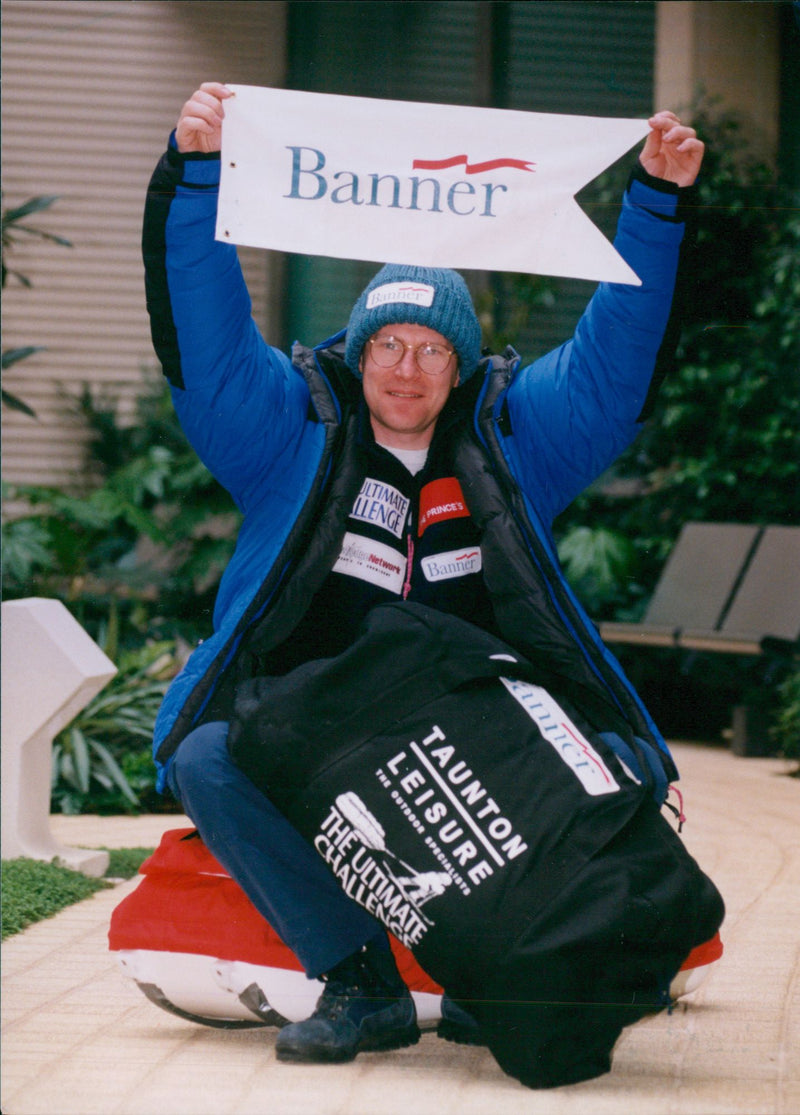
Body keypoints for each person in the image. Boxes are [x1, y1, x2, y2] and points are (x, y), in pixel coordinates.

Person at [142, 82, 706, 1066]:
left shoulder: (517, 437)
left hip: (481, 725)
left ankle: (508, 966)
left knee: (627, 759)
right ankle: (358, 982)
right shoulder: (288, 433)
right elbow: (208, 334)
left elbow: (616, 361)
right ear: (357, 353)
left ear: (462, 366)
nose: (406, 368)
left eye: (432, 347)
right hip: (318, 724)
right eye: (389, 344)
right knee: (204, 757)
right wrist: (196, 174)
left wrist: (654, 204)